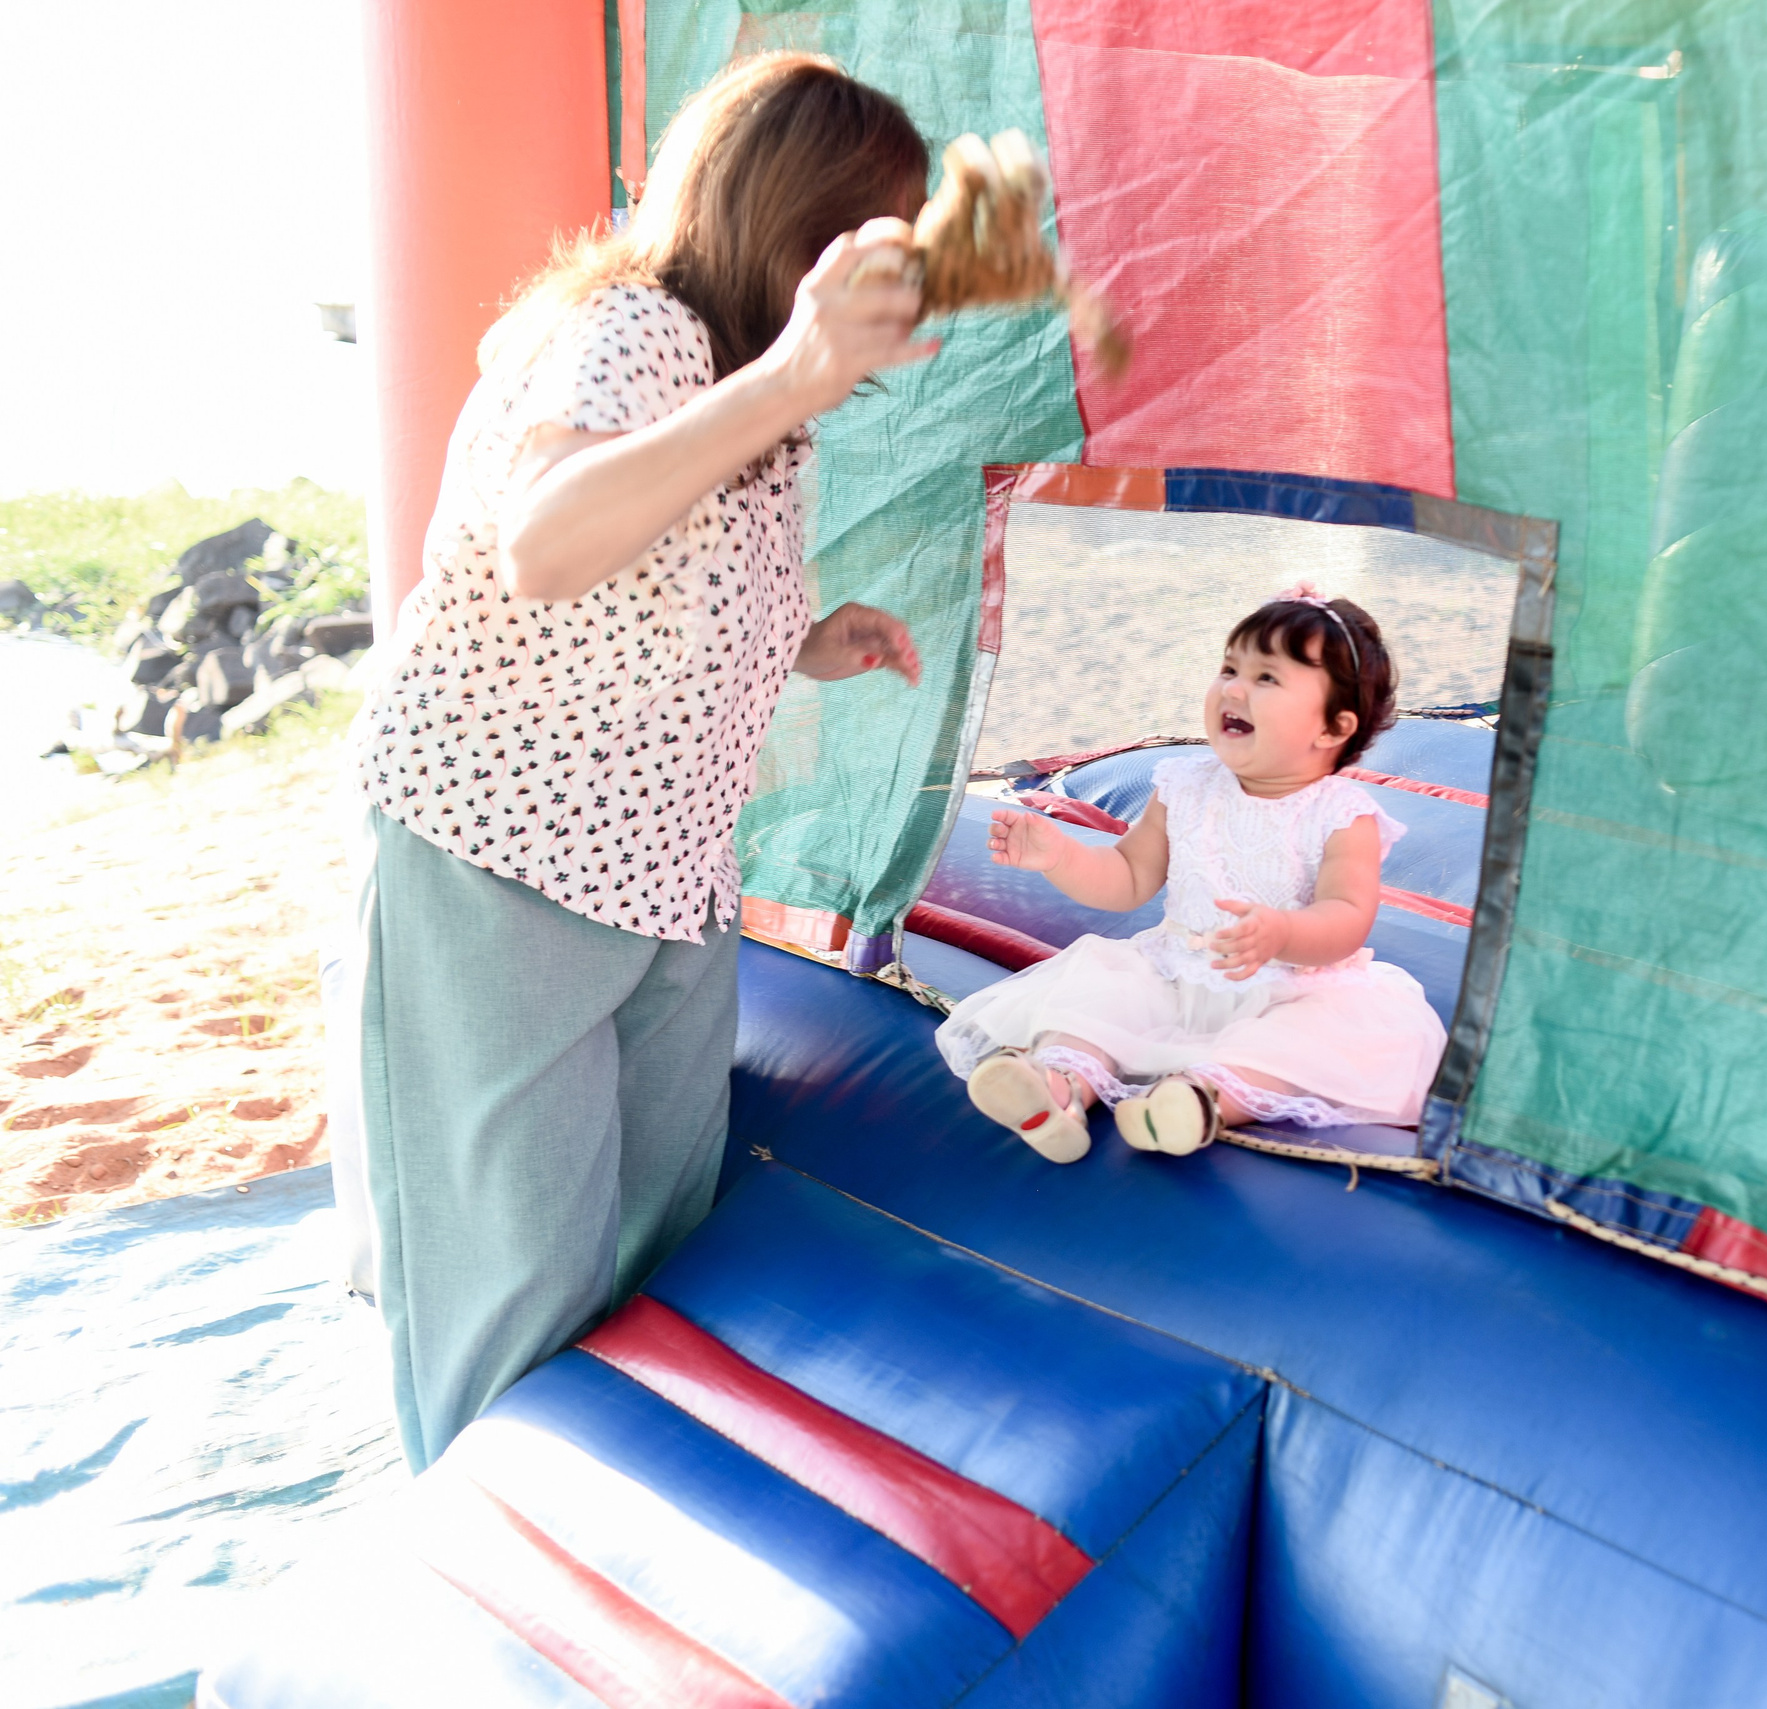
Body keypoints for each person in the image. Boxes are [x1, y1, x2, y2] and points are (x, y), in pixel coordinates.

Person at [340, 53, 938, 1471]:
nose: (891, 294)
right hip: (505, 860)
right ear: (797, 224)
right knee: (511, 1277)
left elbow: (662, 572)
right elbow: (549, 539)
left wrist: (803, 634)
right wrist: (798, 367)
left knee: (659, 1236)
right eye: (872, 245)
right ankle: (492, 1585)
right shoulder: (634, 328)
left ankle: (601, 1533)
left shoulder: (751, 389)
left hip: (661, 873)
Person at [936, 587, 1449, 1160]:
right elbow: (1129, 875)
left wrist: (1283, 933)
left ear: (1331, 729)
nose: (1232, 688)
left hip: (1294, 988)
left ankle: (1197, 1101)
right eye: (1229, 668)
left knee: (1297, 1044)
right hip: (1176, 972)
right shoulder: (1182, 784)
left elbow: (1347, 917)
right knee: (1102, 998)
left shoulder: (1341, 816)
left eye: (1266, 679)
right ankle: (1055, 1089)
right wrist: (1061, 857)